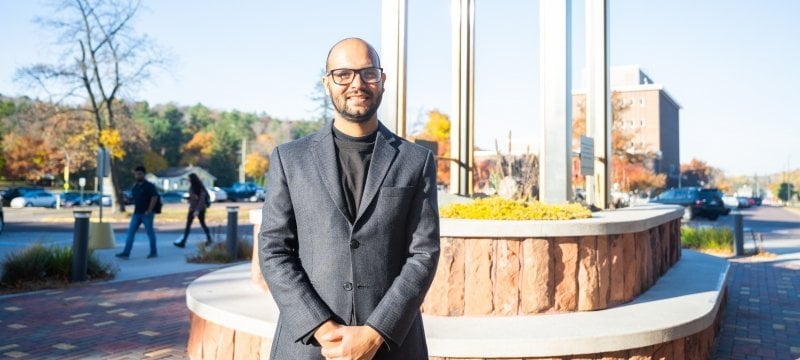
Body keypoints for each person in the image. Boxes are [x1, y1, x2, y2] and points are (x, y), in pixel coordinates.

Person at [259, 38, 440, 360]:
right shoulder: (290, 159)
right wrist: (323, 328)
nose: (357, 83)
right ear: (327, 83)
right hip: (308, 345)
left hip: (391, 345)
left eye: (368, 73)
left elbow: (423, 254)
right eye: (343, 74)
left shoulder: (415, 160)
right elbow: (274, 250)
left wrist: (375, 333)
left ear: (382, 80)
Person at [116, 165, 159, 259]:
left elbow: (154, 197)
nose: (138, 176)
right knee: (130, 232)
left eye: (140, 174)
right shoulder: (135, 186)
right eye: (136, 174)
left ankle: (153, 252)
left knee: (150, 233)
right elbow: (132, 199)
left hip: (147, 213)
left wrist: (149, 209)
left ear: (144, 174)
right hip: (137, 213)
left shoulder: (149, 186)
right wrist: (125, 197)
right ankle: (126, 252)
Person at [173, 173, 213, 248]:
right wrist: (188, 198)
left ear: (192, 179)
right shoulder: (193, 186)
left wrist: (197, 210)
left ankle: (209, 238)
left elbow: (201, 200)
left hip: (199, 209)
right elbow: (194, 197)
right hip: (192, 208)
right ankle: (183, 241)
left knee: (202, 224)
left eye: (189, 178)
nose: (188, 180)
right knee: (189, 225)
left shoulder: (199, 187)